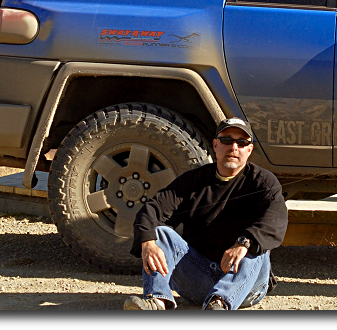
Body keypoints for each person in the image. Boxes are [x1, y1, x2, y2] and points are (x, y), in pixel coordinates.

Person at [123, 117, 288, 311]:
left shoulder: (263, 181)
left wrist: (244, 243)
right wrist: (148, 242)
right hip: (199, 279)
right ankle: (157, 300)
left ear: (249, 150)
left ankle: (219, 304)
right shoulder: (193, 181)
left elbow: (276, 220)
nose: (234, 147)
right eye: (227, 140)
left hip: (246, 285)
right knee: (158, 233)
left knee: (257, 245)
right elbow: (151, 210)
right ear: (215, 145)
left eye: (241, 143)